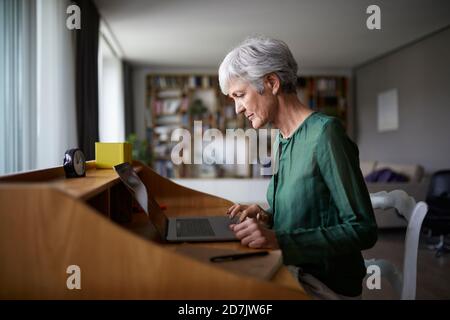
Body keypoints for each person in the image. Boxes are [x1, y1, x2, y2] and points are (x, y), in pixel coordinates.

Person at [218, 36, 378, 299]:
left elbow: (363, 229)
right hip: (293, 268)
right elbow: (311, 207)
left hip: (324, 284)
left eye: (239, 95)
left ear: (271, 83)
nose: (237, 108)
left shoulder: (326, 134)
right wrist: (267, 216)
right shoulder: (283, 138)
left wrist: (279, 240)